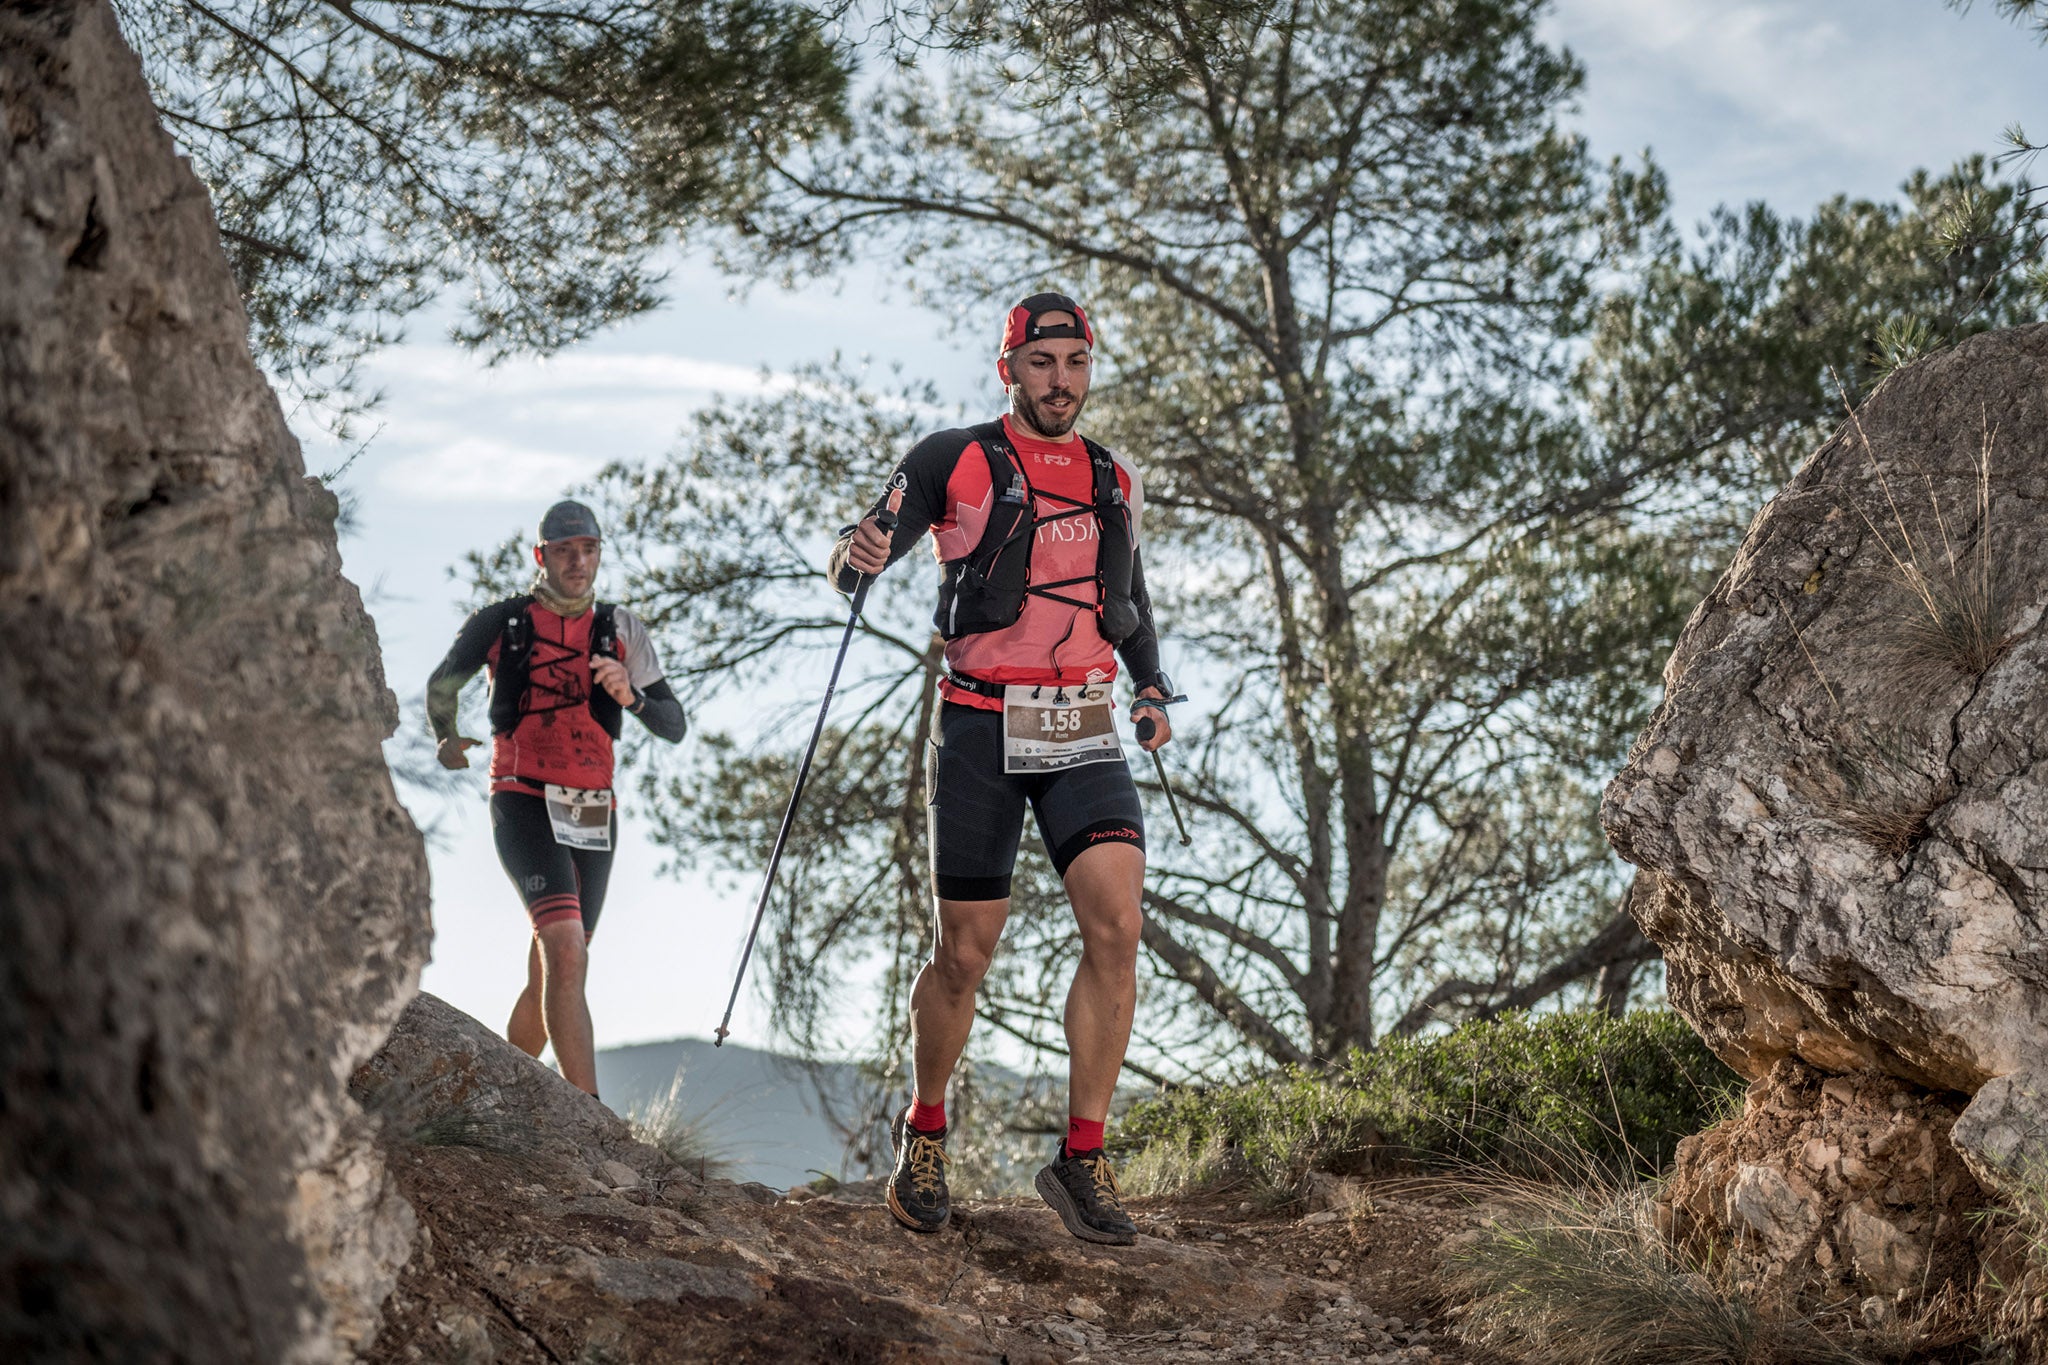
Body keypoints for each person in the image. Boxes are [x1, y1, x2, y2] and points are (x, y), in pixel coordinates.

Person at [830, 291, 1179, 1246]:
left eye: (1074, 362)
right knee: (965, 953)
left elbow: (1129, 593)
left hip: (1083, 724)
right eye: (1041, 363)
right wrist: (855, 558)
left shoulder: (1115, 477)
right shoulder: (957, 457)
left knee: (1118, 923)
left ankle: (1083, 1156)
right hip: (982, 726)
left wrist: (1151, 689)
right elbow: (860, 555)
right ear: (1008, 370)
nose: (1059, 380)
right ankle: (926, 1129)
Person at [426, 500, 686, 1097]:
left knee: (556, 963)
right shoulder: (502, 620)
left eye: (588, 550)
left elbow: (674, 724)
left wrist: (633, 699)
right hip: (522, 795)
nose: (578, 561)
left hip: (593, 806)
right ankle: (592, 1116)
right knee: (565, 949)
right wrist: (445, 736)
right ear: (541, 556)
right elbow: (442, 683)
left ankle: (489, 1099)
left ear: (599, 553)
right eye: (565, 551)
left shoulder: (621, 630)